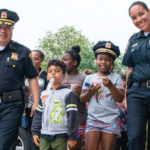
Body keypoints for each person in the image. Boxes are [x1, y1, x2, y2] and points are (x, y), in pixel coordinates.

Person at [0, 9, 39, 150]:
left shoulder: (22, 51)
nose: (3, 31)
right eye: (0, 27)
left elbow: (32, 77)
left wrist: (35, 102)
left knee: (4, 144)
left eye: (7, 27)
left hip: (11, 105)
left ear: (12, 29)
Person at [80, 41, 124, 150]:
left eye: (108, 59)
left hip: (111, 120)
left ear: (112, 62)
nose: (103, 62)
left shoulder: (116, 78)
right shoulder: (89, 78)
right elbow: (82, 98)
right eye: (100, 58)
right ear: (96, 60)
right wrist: (90, 92)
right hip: (93, 119)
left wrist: (110, 86)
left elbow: (120, 98)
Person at [31, 59, 78, 150]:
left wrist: (72, 137)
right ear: (47, 76)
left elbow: (73, 116)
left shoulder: (68, 93)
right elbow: (38, 114)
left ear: (63, 76)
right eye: (50, 71)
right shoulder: (44, 94)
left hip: (61, 135)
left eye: (57, 71)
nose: (53, 73)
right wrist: (35, 132)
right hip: (44, 135)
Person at [122, 1, 150, 150]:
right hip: (136, 93)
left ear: (149, 11)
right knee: (134, 136)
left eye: (141, 14)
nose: (138, 19)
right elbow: (129, 68)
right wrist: (126, 95)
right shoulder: (133, 40)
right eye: (134, 17)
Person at [62, 45, 86, 150]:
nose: (63, 63)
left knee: (75, 146)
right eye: (62, 60)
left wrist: (80, 93)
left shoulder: (84, 78)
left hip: (78, 117)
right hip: (61, 117)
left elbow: (89, 99)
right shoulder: (60, 77)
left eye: (66, 60)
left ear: (75, 62)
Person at [25, 50, 47, 150]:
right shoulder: (24, 74)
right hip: (26, 109)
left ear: (41, 60)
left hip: (41, 109)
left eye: (36, 59)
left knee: (38, 134)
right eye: (31, 58)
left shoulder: (45, 75)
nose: (33, 61)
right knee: (27, 134)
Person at [114, 73, 128, 150]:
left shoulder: (129, 94)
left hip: (126, 128)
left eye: (122, 80)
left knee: (126, 146)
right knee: (115, 146)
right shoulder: (114, 93)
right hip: (115, 128)